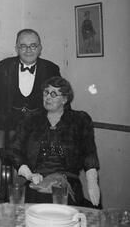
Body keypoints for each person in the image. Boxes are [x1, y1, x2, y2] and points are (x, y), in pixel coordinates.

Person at [9, 76, 101, 207]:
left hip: (66, 182)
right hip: (36, 181)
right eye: (46, 92)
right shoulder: (31, 119)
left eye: (53, 94)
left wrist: (92, 182)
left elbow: (89, 152)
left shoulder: (79, 120)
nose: (47, 97)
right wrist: (28, 174)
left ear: (65, 99)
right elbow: (14, 149)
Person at [0, 29, 61, 150]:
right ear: (16, 48)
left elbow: (60, 100)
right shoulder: (4, 66)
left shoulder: (51, 69)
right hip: (7, 131)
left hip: (39, 131)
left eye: (33, 45)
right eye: (23, 46)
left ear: (40, 48)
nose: (28, 50)